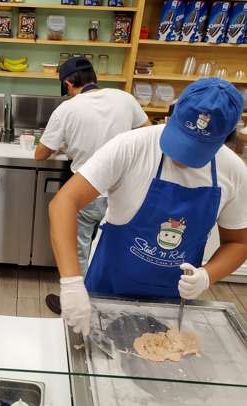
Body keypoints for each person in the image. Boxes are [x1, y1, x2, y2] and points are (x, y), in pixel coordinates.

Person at [48, 77, 247, 335]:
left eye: (197, 149)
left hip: (172, 298)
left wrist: (206, 276)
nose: (183, 157)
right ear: (170, 118)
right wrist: (72, 282)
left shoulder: (234, 172)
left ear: (223, 140)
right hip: (109, 283)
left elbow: (239, 243)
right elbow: (64, 202)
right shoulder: (130, 146)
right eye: (181, 141)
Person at [34, 56, 151, 314]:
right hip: (124, 192)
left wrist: (64, 146)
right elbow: (148, 132)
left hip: (87, 192)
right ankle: (112, 302)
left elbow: (40, 154)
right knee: (115, 246)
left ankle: (79, 303)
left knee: (80, 248)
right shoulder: (125, 98)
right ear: (94, 77)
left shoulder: (67, 109)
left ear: (68, 84)